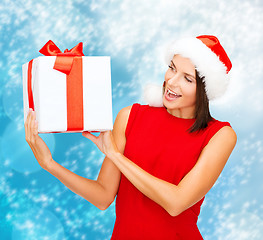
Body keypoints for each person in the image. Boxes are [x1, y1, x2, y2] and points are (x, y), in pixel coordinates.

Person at [25, 35, 237, 240]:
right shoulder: (130, 116)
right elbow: (103, 197)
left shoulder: (220, 135)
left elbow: (176, 203)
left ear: (205, 89)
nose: (172, 81)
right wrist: (49, 164)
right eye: (172, 68)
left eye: (187, 78)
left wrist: (116, 156)